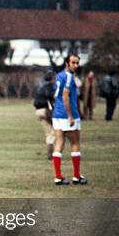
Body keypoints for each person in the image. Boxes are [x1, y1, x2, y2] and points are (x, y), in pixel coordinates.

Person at [51, 54, 87, 186]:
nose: (76, 65)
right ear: (67, 63)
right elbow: (65, 97)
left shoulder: (59, 75)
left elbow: (57, 96)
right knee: (75, 143)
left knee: (59, 143)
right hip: (67, 115)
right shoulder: (68, 76)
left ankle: (58, 177)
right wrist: (70, 116)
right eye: (73, 63)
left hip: (57, 114)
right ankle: (77, 176)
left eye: (77, 63)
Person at [33, 71, 56, 159]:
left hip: (38, 111)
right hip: (45, 111)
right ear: (51, 79)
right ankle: (52, 151)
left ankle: (50, 152)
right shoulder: (48, 87)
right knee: (54, 130)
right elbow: (51, 96)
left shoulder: (40, 86)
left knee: (48, 132)